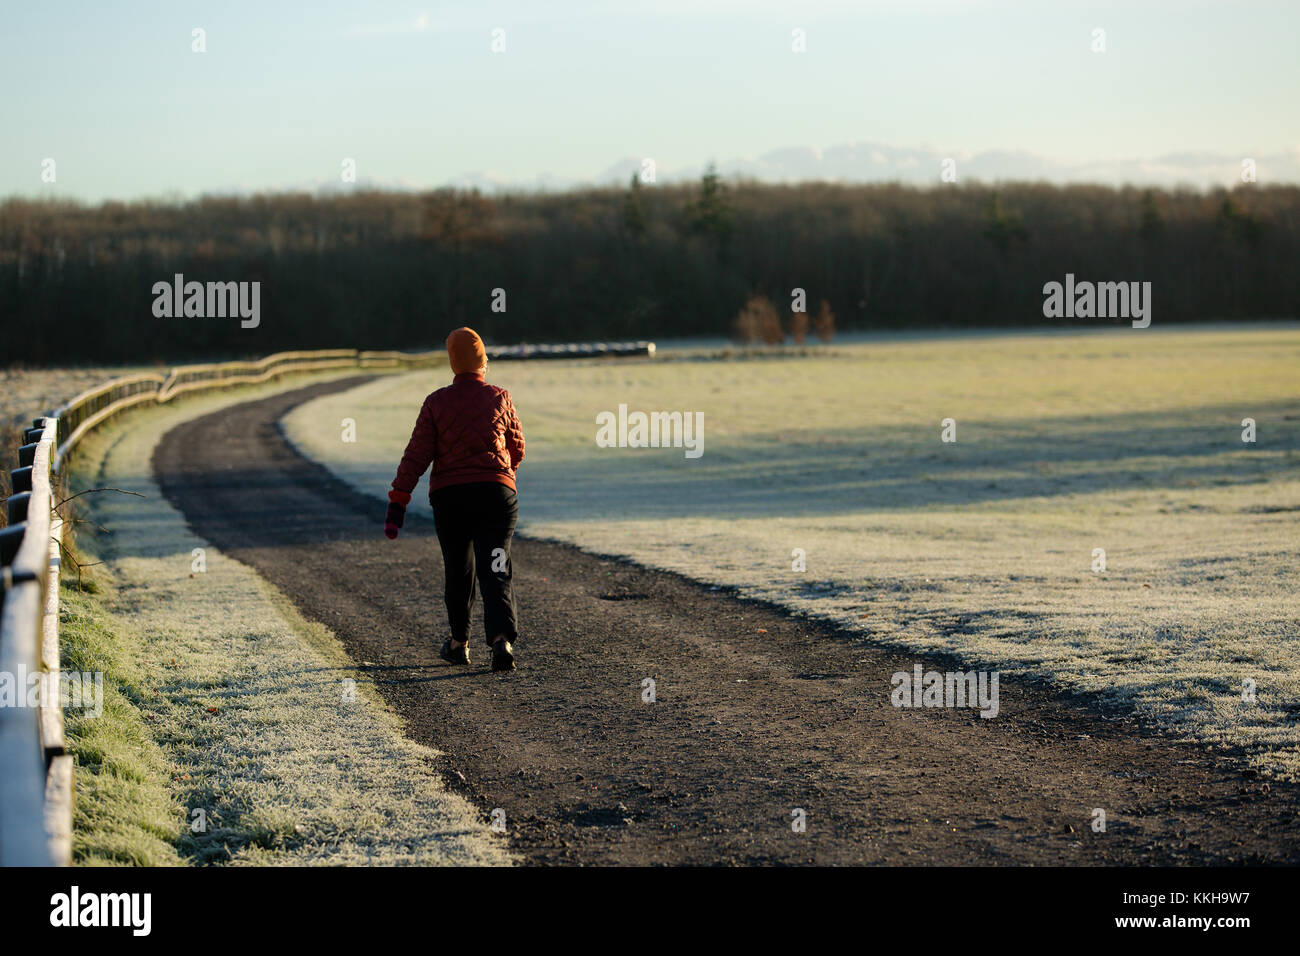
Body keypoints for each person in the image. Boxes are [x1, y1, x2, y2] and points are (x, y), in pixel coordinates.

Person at [384, 327, 525, 672]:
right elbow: (517, 447)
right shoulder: (500, 397)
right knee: (496, 562)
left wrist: (398, 501)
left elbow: (416, 455)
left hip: (452, 498)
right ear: (482, 361)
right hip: (496, 494)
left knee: (459, 569)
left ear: (453, 362)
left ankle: (459, 643)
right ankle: (500, 640)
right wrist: (504, 473)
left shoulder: (436, 402)